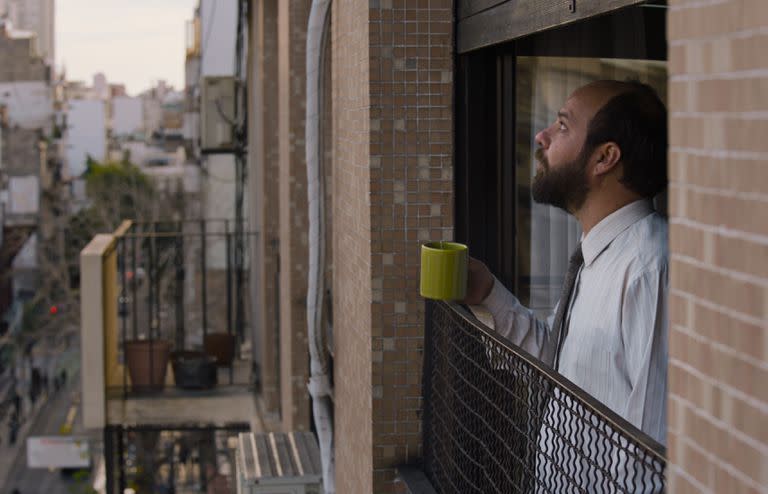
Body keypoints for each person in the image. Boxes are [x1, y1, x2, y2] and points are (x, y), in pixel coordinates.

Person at [465, 80, 669, 445]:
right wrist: (486, 292)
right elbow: (557, 364)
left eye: (562, 125)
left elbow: (651, 458)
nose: (541, 137)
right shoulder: (598, 255)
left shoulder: (651, 267)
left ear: (605, 157)